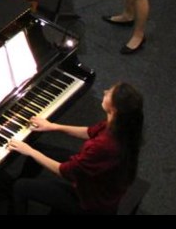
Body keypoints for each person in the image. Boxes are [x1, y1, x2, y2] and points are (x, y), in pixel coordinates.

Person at [9, 82, 144, 215]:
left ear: (114, 109)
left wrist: (30, 152)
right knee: (40, 149)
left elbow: (65, 171)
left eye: (109, 93)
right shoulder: (121, 125)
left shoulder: (104, 146)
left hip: (91, 202)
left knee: (20, 187)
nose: (105, 92)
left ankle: (17, 186)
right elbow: (89, 131)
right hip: (98, 178)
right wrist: (53, 126)